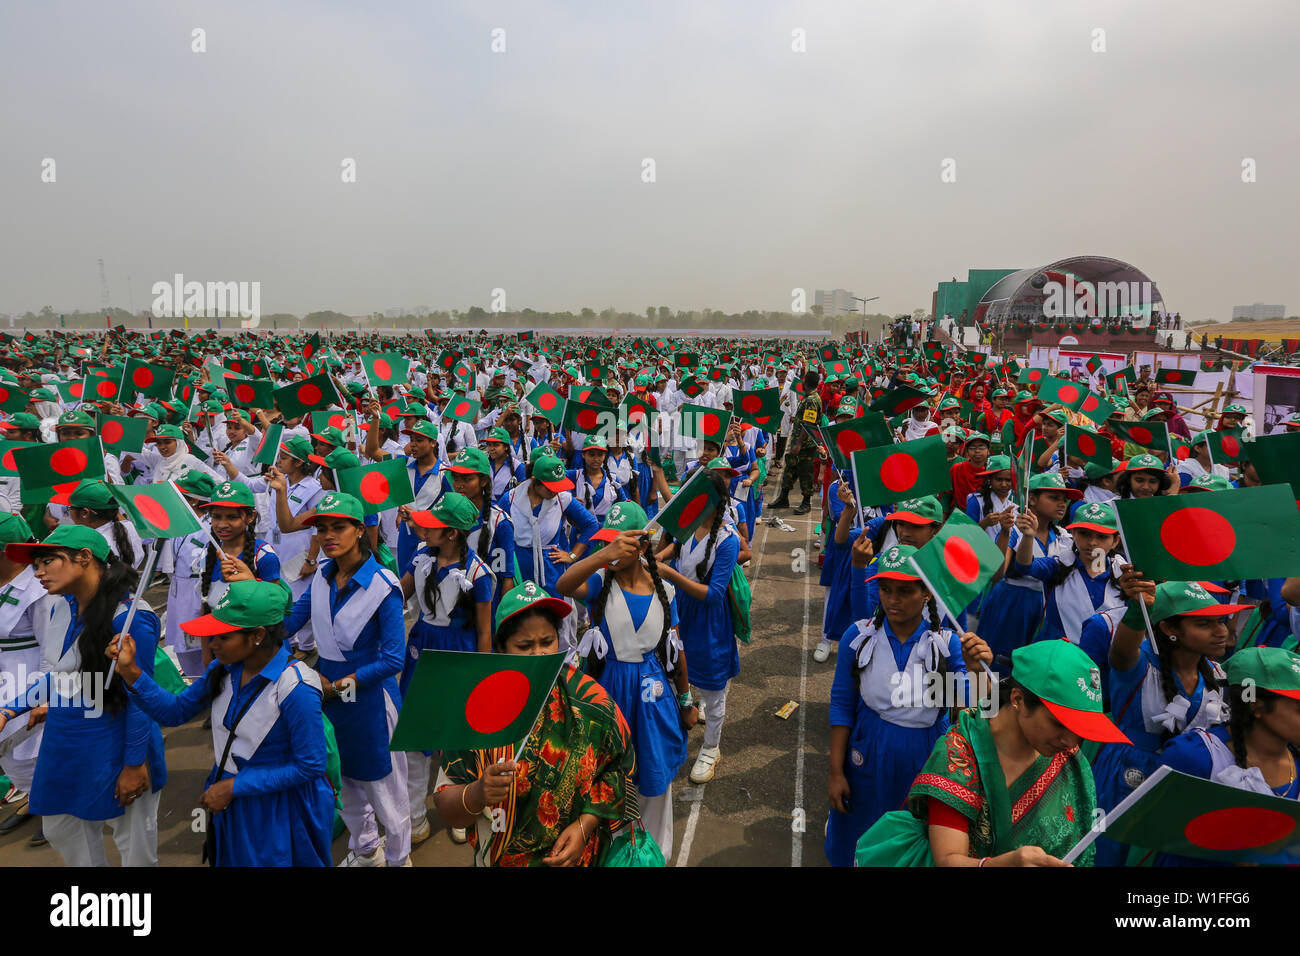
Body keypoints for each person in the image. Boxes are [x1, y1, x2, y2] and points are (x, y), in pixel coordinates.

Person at [107, 580, 334, 866]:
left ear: (258, 636)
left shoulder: (296, 688)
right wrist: (131, 672)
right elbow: (175, 711)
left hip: (278, 810)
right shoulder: (224, 669)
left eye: (223, 637)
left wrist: (233, 787)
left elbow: (310, 765)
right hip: (234, 799)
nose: (212, 645)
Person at [855, 640, 1129, 866]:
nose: (1071, 741)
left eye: (1080, 728)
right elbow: (948, 860)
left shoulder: (1069, 761)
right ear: (1018, 700)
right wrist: (1005, 864)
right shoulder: (957, 757)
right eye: (1059, 723)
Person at [432, 582, 636, 867]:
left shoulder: (589, 701)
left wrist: (584, 826)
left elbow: (618, 769)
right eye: (525, 646)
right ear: (501, 648)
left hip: (579, 858)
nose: (539, 654)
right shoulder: (475, 712)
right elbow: (445, 804)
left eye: (547, 642)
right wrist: (478, 792)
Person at [0, 525, 167, 866]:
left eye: (48, 561)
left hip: (118, 739)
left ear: (86, 557)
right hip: (69, 737)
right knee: (62, 827)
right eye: (36, 563)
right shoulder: (62, 606)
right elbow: (60, 675)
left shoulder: (132, 619)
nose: (39, 571)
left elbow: (141, 699)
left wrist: (134, 765)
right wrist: (9, 711)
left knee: (133, 842)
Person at [825, 544, 991, 866]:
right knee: (860, 828)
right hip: (868, 751)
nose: (892, 599)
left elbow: (970, 709)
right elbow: (842, 704)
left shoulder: (945, 644)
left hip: (925, 755)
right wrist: (835, 771)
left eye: (904, 591)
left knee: (909, 837)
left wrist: (974, 670)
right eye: (885, 589)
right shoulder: (858, 638)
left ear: (927, 594)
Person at [282, 492, 412, 867]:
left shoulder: (383, 586)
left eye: (338, 527)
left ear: (360, 530)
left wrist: (338, 686)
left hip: (371, 700)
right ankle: (367, 848)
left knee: (387, 789)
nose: (327, 536)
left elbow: (392, 658)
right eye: (322, 529)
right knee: (346, 780)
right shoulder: (322, 579)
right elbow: (290, 622)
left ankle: (400, 859)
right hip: (330, 693)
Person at [557, 502, 693, 858]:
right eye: (610, 542)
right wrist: (604, 555)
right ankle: (612, 851)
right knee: (608, 777)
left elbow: (676, 651)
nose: (616, 550)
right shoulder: (600, 581)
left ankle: (652, 854)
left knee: (653, 774)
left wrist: (686, 699)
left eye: (625, 543)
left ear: (643, 546)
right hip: (609, 692)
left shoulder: (664, 589)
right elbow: (564, 583)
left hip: (652, 698)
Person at [1091, 579, 1252, 866]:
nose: (1222, 632)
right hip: (1126, 778)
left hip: (1183, 783)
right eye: (1204, 624)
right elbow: (1121, 650)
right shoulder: (1139, 666)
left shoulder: (1218, 673)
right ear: (1169, 629)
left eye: (1221, 620)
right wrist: (1139, 608)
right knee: (1111, 854)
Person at [654, 470, 741, 783]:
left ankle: (711, 747)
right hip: (680, 612)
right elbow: (674, 549)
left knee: (713, 690)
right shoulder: (689, 525)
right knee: (677, 674)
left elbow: (715, 595)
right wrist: (652, 558)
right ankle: (681, 730)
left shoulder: (727, 541)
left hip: (708, 622)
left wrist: (670, 575)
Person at [0, 513, 47, 844]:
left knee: (35, 747)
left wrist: (43, 697)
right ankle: (33, 797)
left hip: (29, 674)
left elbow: (51, 648)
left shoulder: (39, 588)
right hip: (4, 674)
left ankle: (54, 807)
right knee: (8, 752)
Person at [771, 371, 826, 515]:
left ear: (805, 383)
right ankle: (783, 498)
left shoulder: (811, 400)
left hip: (806, 445)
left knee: (805, 473)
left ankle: (806, 502)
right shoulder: (809, 397)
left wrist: (799, 444)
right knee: (790, 469)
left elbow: (808, 423)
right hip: (798, 442)